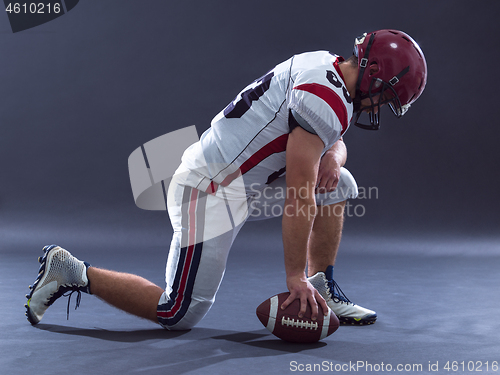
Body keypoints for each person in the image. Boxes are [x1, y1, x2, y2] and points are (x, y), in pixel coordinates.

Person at [25, 29, 427, 330]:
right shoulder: (325, 99)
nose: (381, 107)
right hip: (210, 191)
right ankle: (71, 270)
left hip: (244, 184)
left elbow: (332, 143)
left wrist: (334, 159)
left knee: (340, 185)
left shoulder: (328, 66)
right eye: (387, 97)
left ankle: (323, 286)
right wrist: (292, 277)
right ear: (374, 74)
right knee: (177, 312)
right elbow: (300, 196)